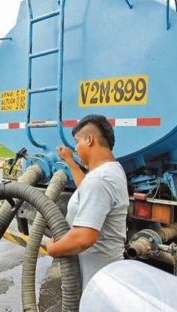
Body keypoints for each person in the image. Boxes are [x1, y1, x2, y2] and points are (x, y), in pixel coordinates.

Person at [46, 114, 129, 289]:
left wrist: (52, 248)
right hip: (105, 274)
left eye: (77, 142)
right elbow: (86, 186)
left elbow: (84, 238)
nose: (75, 148)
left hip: (97, 282)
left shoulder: (100, 179)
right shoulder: (112, 169)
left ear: (89, 139)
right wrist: (69, 160)